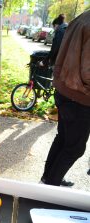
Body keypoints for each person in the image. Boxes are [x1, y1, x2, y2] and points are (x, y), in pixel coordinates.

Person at [40, 11, 90, 187]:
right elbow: (88, 71)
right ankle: (50, 186)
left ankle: (48, 178)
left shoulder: (83, 17)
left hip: (65, 89)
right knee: (75, 147)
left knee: (64, 138)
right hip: (79, 96)